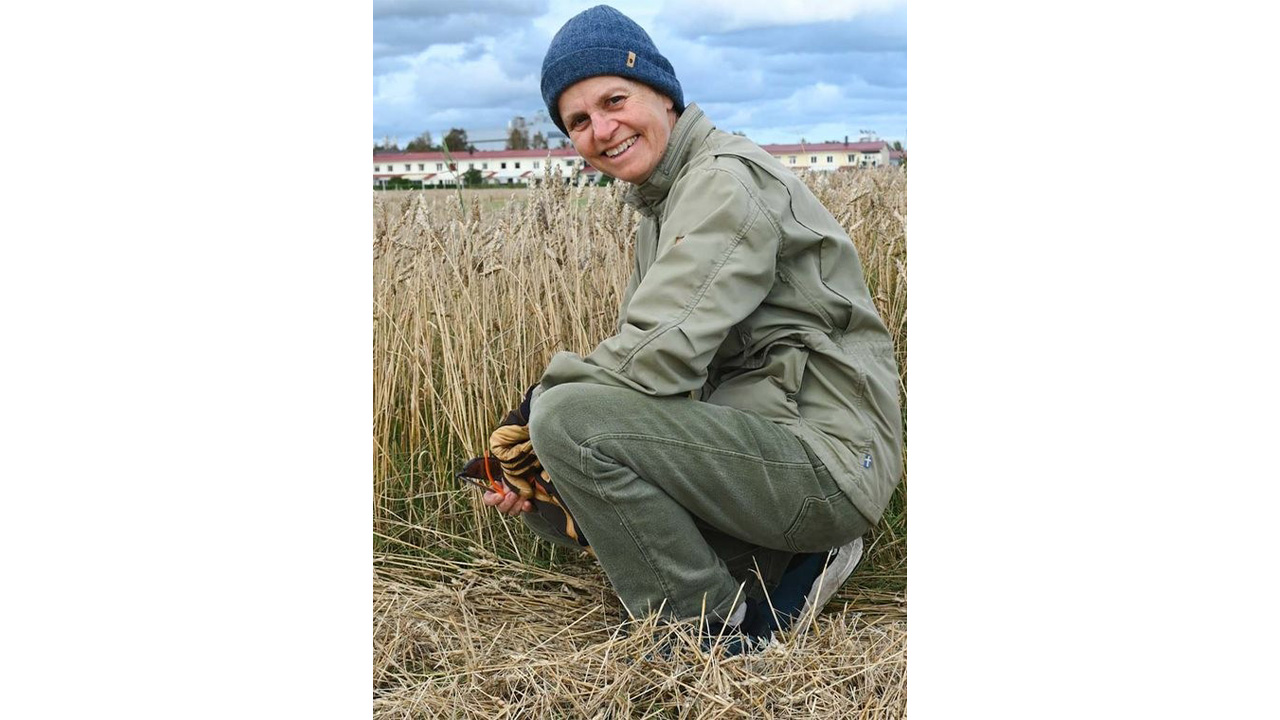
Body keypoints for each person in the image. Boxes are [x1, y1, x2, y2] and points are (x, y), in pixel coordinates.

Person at [482, 4, 903, 654]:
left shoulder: (722, 182)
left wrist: (536, 414)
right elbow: (654, 394)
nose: (603, 129)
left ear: (663, 90)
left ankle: (704, 633)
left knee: (566, 420)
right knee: (554, 466)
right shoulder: (665, 202)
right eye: (579, 121)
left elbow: (656, 357)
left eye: (614, 99)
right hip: (771, 445)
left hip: (828, 459)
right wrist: (534, 481)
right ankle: (793, 566)